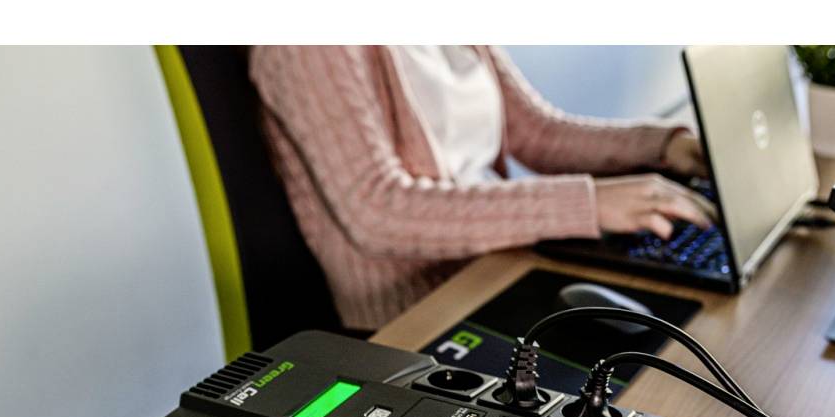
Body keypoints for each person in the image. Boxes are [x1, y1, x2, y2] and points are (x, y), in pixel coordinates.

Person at [250, 45, 714, 331]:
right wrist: (587, 204)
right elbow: (376, 208)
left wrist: (665, 145)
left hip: (504, 263)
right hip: (424, 310)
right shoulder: (303, 46)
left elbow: (535, 131)